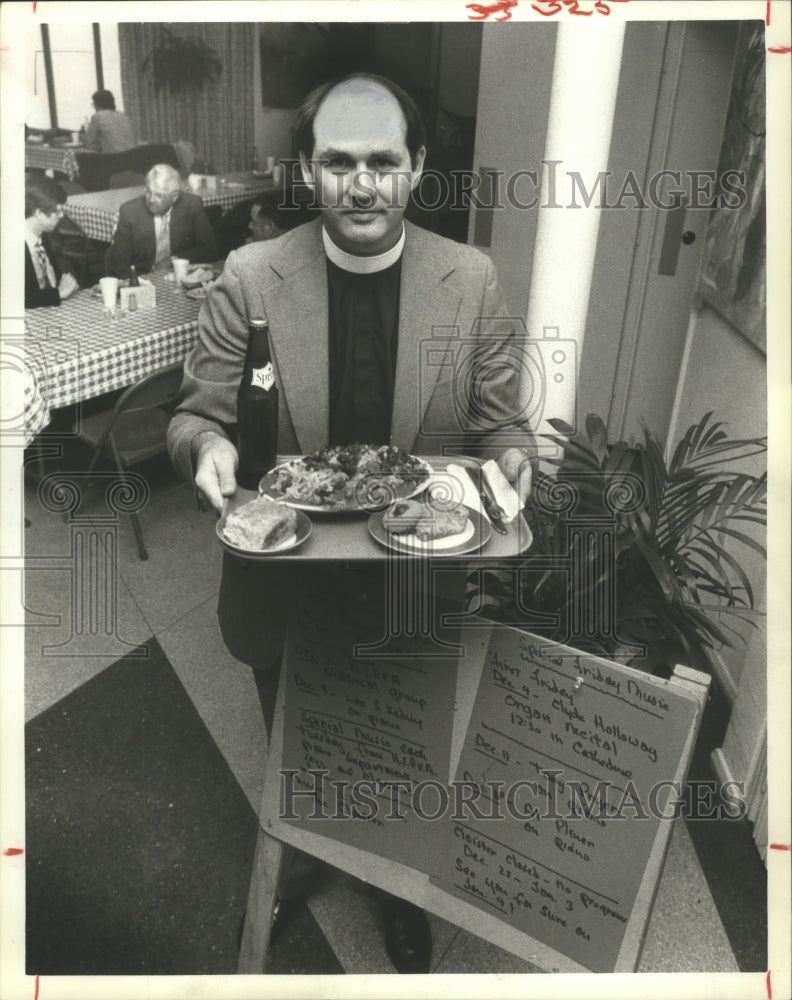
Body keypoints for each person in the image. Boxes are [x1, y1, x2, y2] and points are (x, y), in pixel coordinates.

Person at [167, 73, 533, 973]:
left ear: (416, 167)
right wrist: (205, 448)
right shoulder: (250, 276)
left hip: (413, 576)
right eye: (338, 162)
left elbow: (501, 424)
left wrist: (514, 459)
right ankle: (297, 855)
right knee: (295, 740)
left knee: (400, 747)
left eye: (382, 161)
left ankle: (392, 886)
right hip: (285, 578)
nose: (361, 185)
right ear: (307, 170)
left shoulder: (470, 278)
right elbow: (196, 414)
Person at [106, 164, 218, 278]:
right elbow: (120, 267)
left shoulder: (192, 205)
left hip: (177, 276)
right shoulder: (129, 212)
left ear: (174, 197)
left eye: (159, 195)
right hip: (142, 279)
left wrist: (173, 260)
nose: (151, 199)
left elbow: (210, 250)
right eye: (148, 192)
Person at [25, 173, 80, 309]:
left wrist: (64, 286)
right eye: (57, 211)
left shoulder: (42, 235)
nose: (61, 215)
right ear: (38, 213)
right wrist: (57, 293)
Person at [83, 89, 137, 154]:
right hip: (133, 156)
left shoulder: (97, 116)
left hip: (115, 157)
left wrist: (103, 145)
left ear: (97, 104)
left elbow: (89, 143)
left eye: (94, 104)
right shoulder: (123, 115)